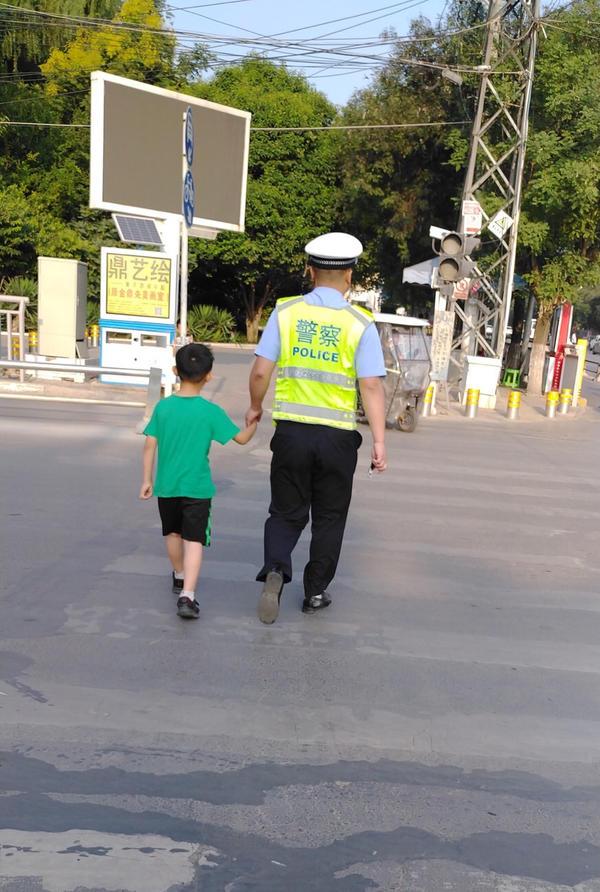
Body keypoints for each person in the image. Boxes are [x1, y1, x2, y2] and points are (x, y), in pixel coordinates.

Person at [246, 232, 387, 625]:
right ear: (350, 277)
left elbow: (260, 370)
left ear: (310, 271)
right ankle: (315, 593)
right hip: (338, 438)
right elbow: (371, 385)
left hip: (291, 432)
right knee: (329, 516)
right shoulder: (361, 324)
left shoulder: (286, 312)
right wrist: (379, 440)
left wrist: (256, 407)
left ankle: (275, 570)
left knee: (286, 511)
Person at [140, 343, 256, 619]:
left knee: (172, 533)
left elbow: (149, 444)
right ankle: (188, 595)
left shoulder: (163, 408)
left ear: (175, 371)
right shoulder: (210, 411)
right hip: (198, 488)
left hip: (166, 485)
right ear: (209, 375)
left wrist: (147, 479)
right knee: (194, 540)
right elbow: (240, 439)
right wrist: (252, 423)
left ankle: (179, 574)